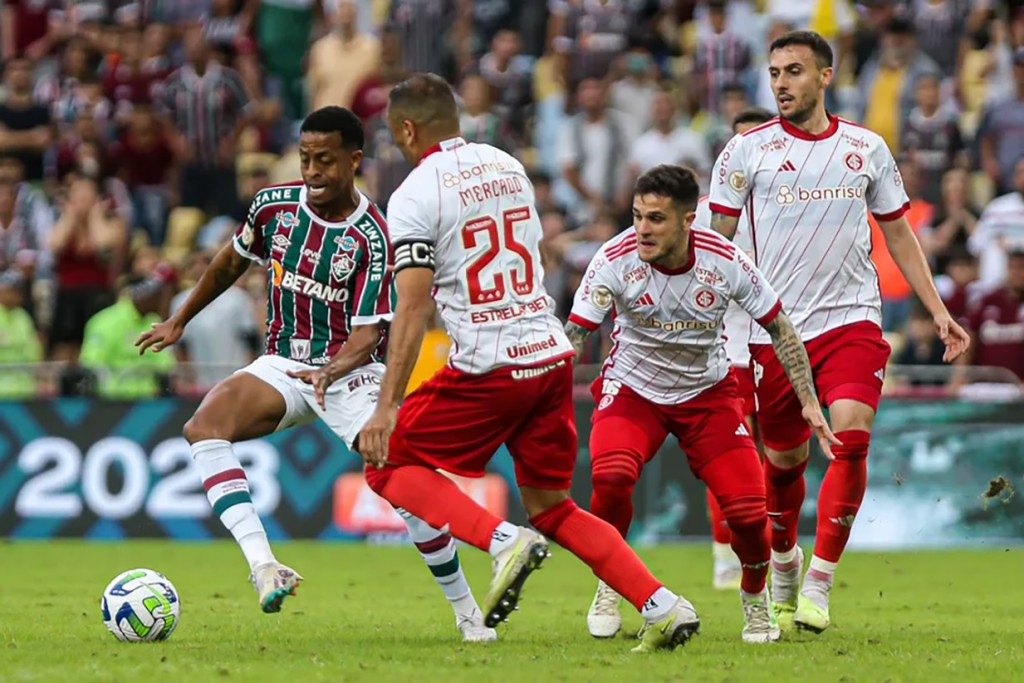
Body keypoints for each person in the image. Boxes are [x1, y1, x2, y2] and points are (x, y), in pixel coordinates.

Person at [357, 73, 699, 654]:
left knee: (385, 463)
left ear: (408, 128)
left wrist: (386, 407)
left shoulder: (413, 194)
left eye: (395, 135)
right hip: (548, 354)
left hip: (489, 364)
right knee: (553, 507)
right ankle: (663, 605)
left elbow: (412, 307)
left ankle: (499, 542)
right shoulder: (507, 164)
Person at [135, 106, 496, 642]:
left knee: (399, 481)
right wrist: (179, 319)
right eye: (305, 159)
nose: (312, 171)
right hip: (284, 363)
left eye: (324, 160)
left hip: (352, 372)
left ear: (354, 160)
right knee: (202, 428)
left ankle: (469, 614)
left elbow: (371, 333)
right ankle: (264, 567)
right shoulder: (272, 207)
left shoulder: (376, 234)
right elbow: (230, 263)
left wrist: (331, 370)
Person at [708, 30, 970, 633]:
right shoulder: (743, 153)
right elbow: (714, 244)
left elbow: (898, 234)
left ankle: (820, 581)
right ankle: (784, 561)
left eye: (794, 71)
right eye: (774, 72)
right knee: (782, 464)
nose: (780, 83)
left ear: (825, 76)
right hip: (772, 329)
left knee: (852, 435)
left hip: (851, 316)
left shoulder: (866, 148)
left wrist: (936, 308)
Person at [566, 164, 837, 643]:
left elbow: (781, 327)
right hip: (634, 390)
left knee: (750, 518)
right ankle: (609, 583)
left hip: (707, 396)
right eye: (636, 216)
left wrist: (810, 402)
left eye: (655, 219)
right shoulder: (614, 258)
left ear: (689, 220)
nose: (642, 230)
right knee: (609, 477)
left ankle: (755, 600)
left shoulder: (725, 260)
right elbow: (574, 337)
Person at [695, 106, 776, 591]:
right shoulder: (704, 211)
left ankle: (774, 548)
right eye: (737, 142)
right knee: (729, 452)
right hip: (726, 349)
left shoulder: (793, 202)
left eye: (755, 141)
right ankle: (724, 551)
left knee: (780, 453)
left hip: (777, 342)